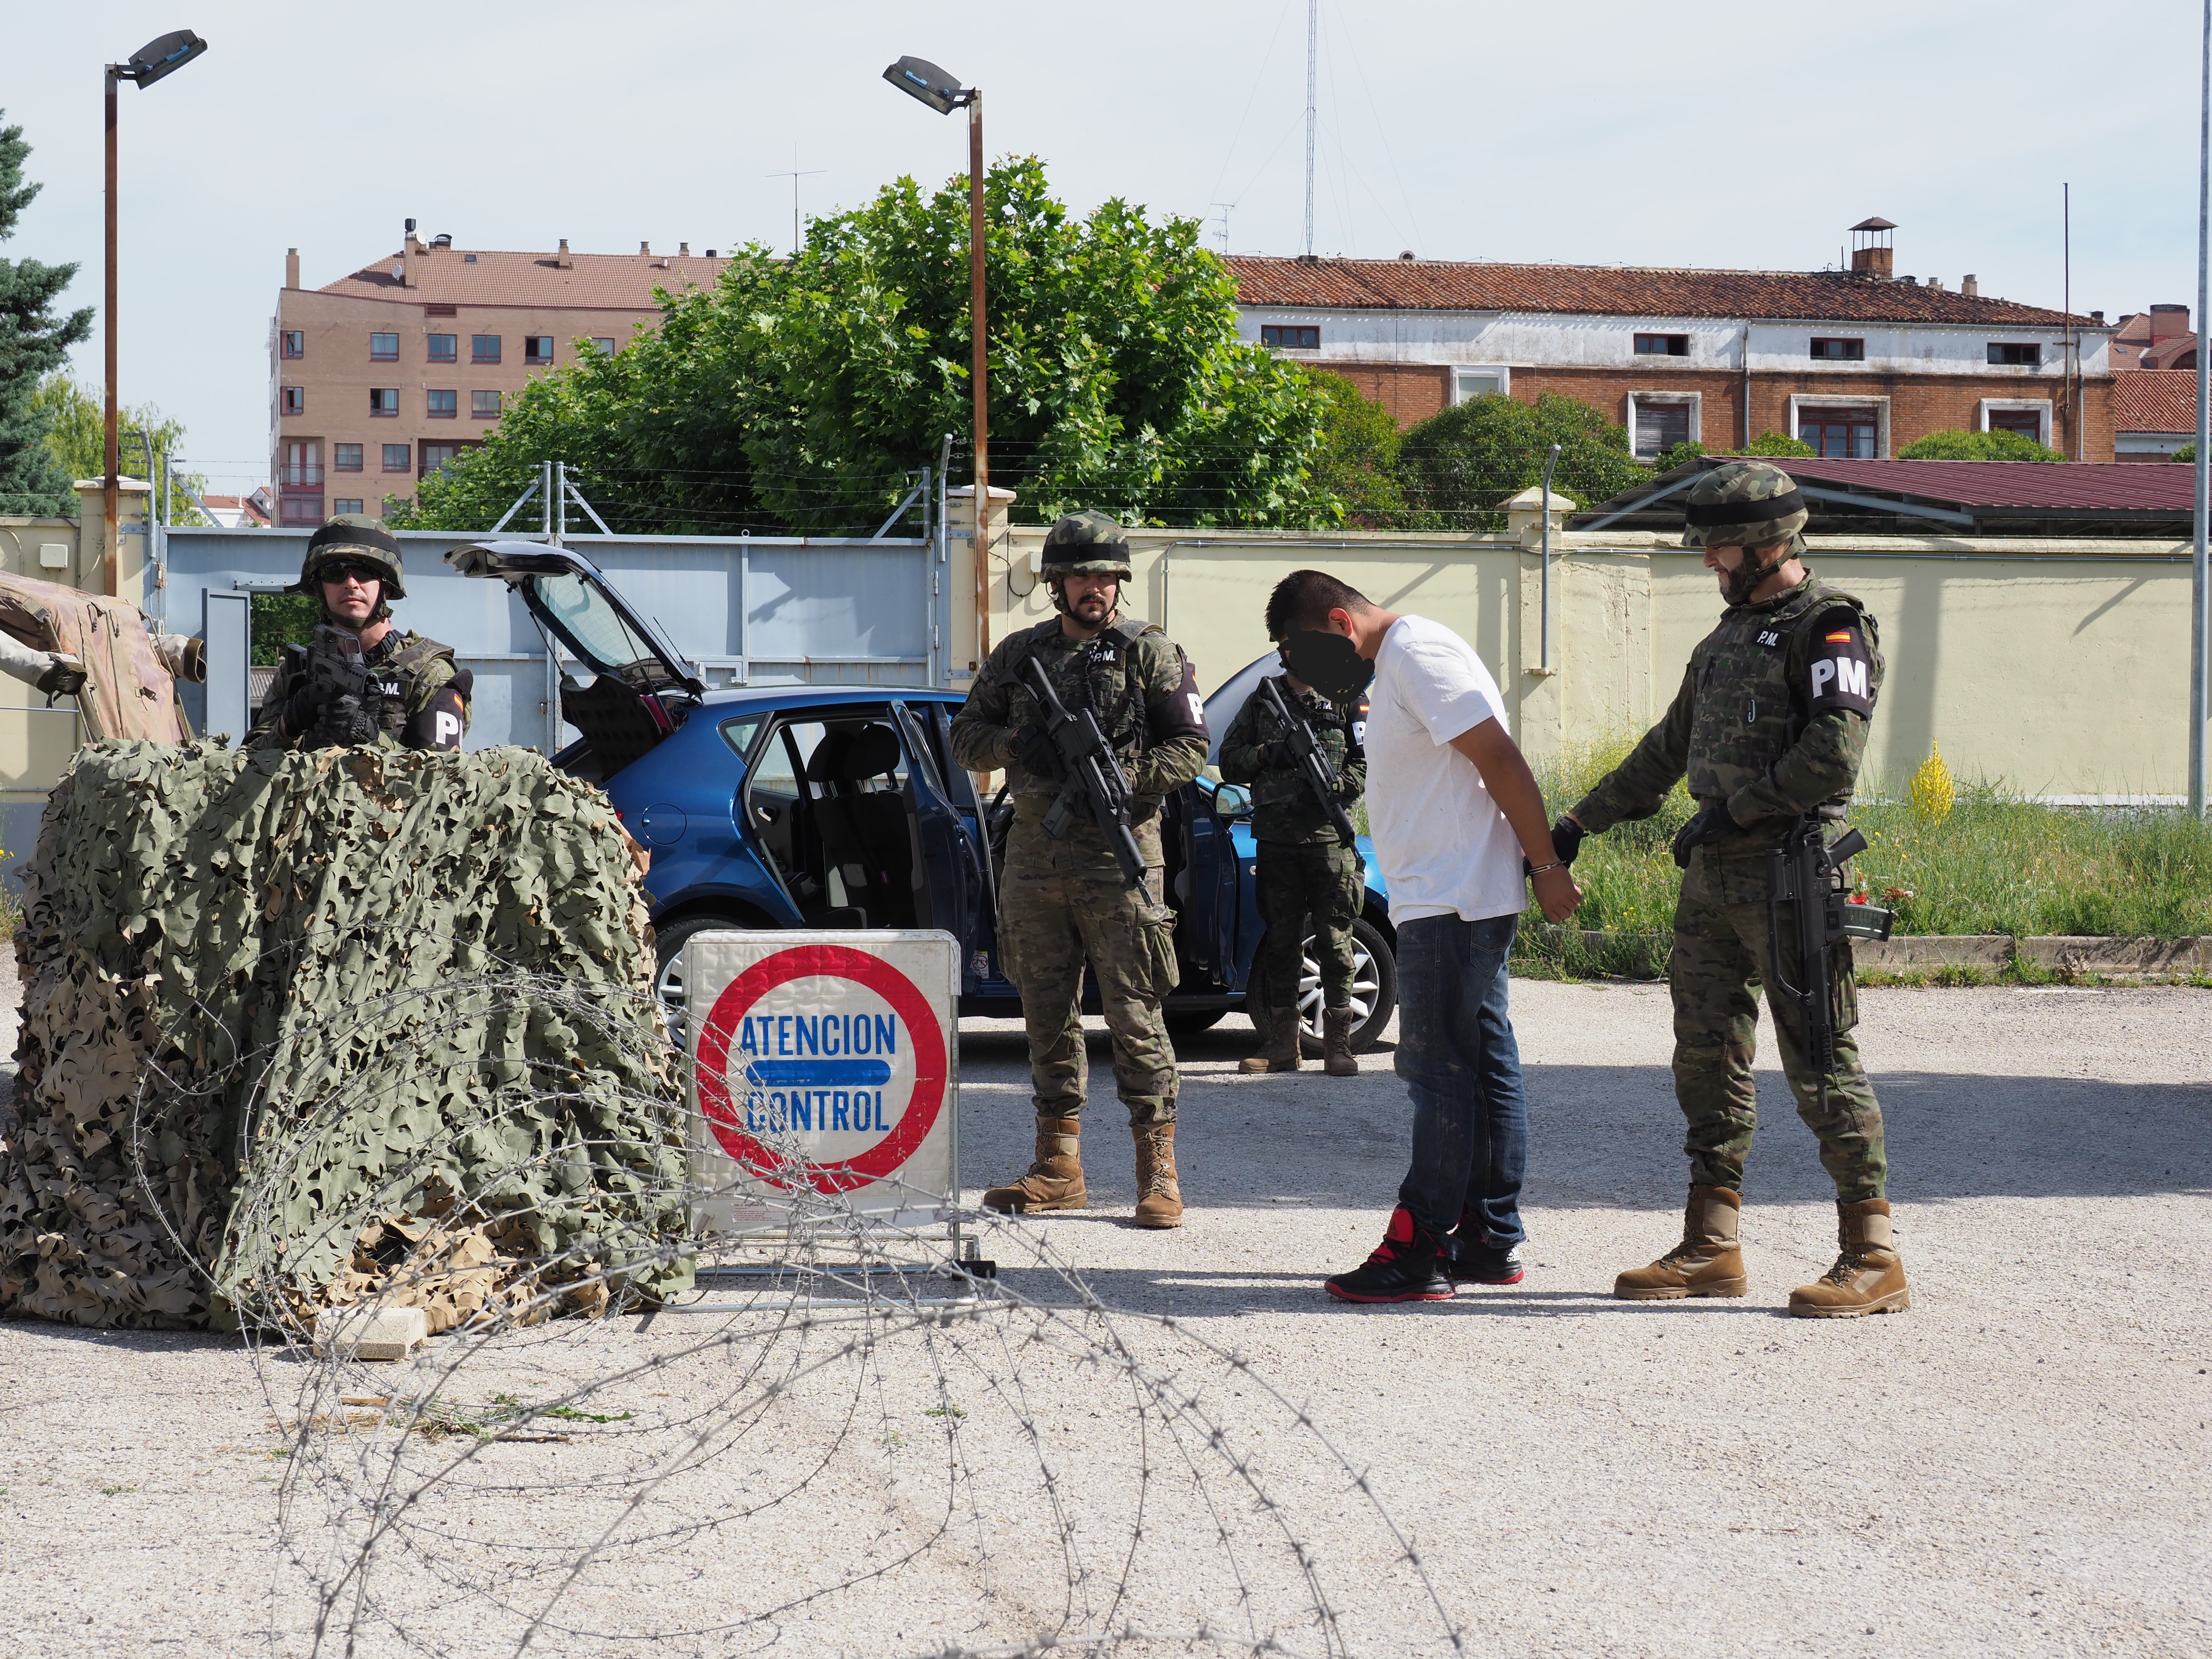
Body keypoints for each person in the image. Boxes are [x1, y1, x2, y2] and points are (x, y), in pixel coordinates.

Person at [1556, 460, 1908, 1318]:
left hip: (1789, 869)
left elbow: (1831, 755)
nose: (1710, 564)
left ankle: (1874, 1254)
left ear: (1766, 545)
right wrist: (1578, 822)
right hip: (1714, 876)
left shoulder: (1829, 629)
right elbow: (1663, 751)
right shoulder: (1722, 641)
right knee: (1706, 1057)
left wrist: (1739, 811)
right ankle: (1711, 1244)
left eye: (1718, 549)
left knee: (1820, 1057)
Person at [1262, 570, 1580, 1303]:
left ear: (1339, 623)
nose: (1303, 673)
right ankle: (1487, 1238)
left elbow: (1497, 756)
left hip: (1454, 899)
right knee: (1480, 1064)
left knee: (1435, 1070)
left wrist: (1545, 864)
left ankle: (1420, 1246)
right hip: (1444, 894)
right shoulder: (1401, 659)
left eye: (1301, 653)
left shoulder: (1416, 653)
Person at [949, 512, 1210, 1228]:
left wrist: (1128, 777)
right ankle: (1056, 1165)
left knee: (1135, 1012)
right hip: (1035, 860)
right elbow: (964, 739)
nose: (1094, 588)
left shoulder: (1148, 651)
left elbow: (1190, 744)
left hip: (1121, 858)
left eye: (1105, 576)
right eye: (1080, 576)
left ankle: (1157, 1171)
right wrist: (1015, 743)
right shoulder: (1017, 655)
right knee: (1044, 1013)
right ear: (1055, 584)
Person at [1217, 612, 1367, 1077]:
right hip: (1277, 843)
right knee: (1281, 943)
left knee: (1335, 942)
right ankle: (1283, 1046)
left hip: (1328, 842)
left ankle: (1338, 1045)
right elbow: (1228, 762)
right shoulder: (1263, 701)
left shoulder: (1346, 697)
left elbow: (1366, 761)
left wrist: (1338, 786)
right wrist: (1268, 754)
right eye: (1286, 644)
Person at [246, 517, 470, 753]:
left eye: (364, 572)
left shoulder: (428, 672)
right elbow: (244, 767)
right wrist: (287, 727)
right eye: (334, 572)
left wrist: (371, 739)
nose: (351, 583)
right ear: (319, 588)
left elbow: (442, 781)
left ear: (387, 586)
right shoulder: (300, 670)